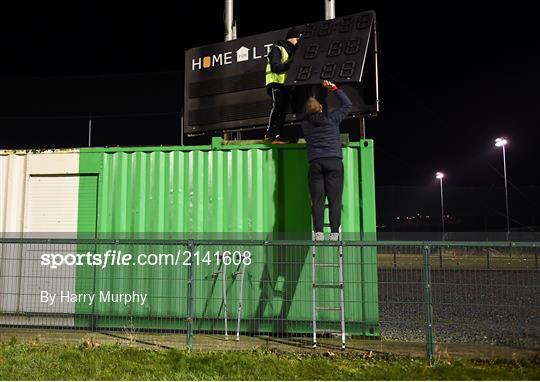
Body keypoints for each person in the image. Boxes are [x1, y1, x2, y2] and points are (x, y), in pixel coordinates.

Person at [301, 80, 352, 241]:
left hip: (316, 163)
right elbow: (347, 105)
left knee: (317, 200)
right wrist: (334, 89)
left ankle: (318, 232)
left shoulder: (305, 125)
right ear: (322, 108)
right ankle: (335, 233)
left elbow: (309, 115)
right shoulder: (332, 118)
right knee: (334, 199)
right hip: (334, 162)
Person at [264, 27, 301, 144]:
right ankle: (269, 134)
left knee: (283, 111)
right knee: (277, 107)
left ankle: (278, 136)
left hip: (286, 85)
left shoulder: (293, 52)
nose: (299, 42)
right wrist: (291, 62)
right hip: (276, 83)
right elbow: (275, 68)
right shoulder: (277, 49)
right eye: (298, 39)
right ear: (292, 38)